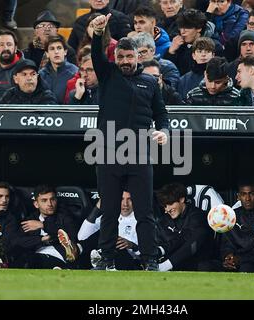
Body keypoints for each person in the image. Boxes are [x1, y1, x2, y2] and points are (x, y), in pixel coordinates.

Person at [90, 13, 169, 271]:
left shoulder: (150, 82)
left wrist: (164, 131)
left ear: (139, 57)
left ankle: (150, 260)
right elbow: (95, 56)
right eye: (120, 57)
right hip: (109, 152)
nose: (124, 61)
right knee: (109, 211)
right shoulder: (108, 75)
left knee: (145, 213)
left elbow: (161, 114)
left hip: (139, 154)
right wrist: (99, 33)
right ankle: (106, 258)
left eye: (129, 56)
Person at [17, 185, 80, 269]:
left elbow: (72, 234)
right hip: (36, 255)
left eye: (52, 199)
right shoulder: (30, 220)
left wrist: (43, 225)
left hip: (60, 253)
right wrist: (42, 239)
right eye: (44, 200)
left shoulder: (64, 217)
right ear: (36, 204)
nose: (49, 204)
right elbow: (19, 241)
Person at [155, 183, 213, 272]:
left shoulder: (198, 215)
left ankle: (165, 266)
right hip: (176, 265)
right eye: (165, 206)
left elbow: (187, 238)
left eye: (170, 203)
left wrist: (163, 251)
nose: (167, 209)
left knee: (198, 234)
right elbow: (160, 242)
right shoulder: (163, 221)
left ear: (182, 199)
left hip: (199, 262)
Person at [219, 182, 254, 272]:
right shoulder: (232, 216)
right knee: (206, 266)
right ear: (238, 196)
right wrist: (228, 256)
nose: (248, 199)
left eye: (251, 194)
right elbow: (226, 244)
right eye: (243, 194)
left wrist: (240, 259)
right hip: (234, 260)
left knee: (247, 268)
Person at [78, 191, 142, 270]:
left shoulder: (141, 220)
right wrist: (98, 207)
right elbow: (82, 237)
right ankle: (77, 250)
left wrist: (132, 245)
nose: (125, 204)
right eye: (121, 199)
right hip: (104, 254)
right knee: (103, 234)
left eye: (130, 199)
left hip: (128, 261)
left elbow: (145, 253)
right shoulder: (110, 216)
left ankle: (99, 261)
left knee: (111, 239)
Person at [164, 8, 219, 76]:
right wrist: (171, 52)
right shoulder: (179, 45)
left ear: (199, 28)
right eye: (181, 28)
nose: (183, 32)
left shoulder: (214, 45)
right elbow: (168, 71)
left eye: (187, 28)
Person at [68, 0, 132, 54]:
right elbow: (71, 48)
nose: (99, 0)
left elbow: (127, 45)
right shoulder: (80, 21)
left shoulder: (120, 18)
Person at [38, 35, 78, 104]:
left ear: (65, 52)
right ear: (47, 54)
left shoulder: (75, 72)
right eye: (52, 49)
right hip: (45, 113)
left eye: (59, 48)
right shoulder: (41, 75)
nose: (56, 52)